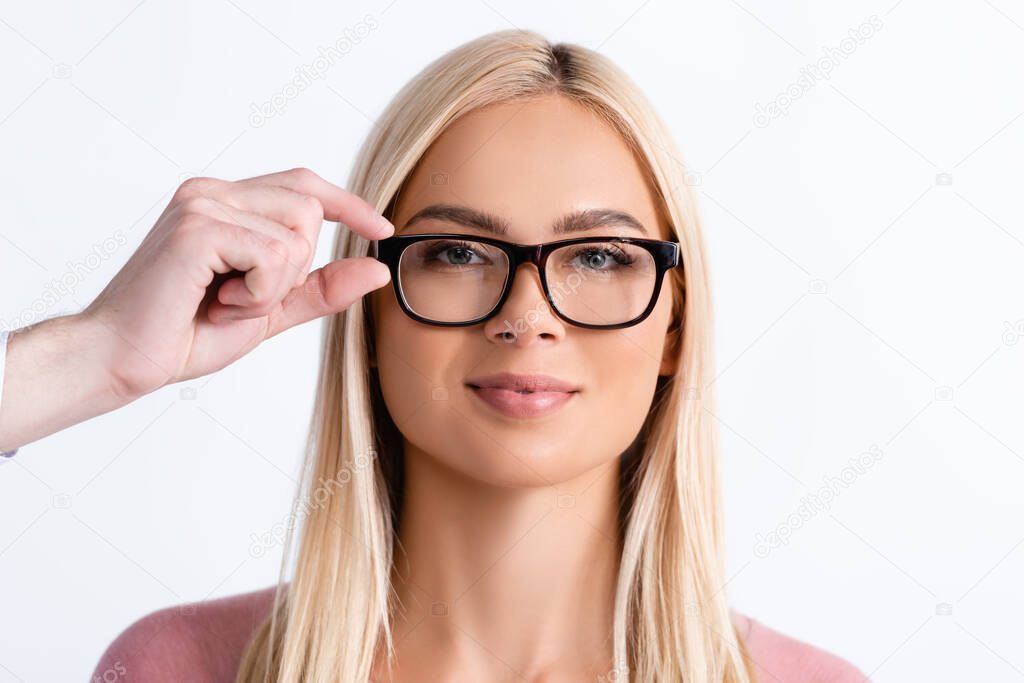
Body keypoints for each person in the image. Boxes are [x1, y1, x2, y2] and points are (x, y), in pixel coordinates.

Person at [0, 29, 870, 683]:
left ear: (675, 325)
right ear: (367, 307)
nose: (527, 317)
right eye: (457, 253)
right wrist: (94, 357)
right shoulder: (181, 670)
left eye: (599, 257)